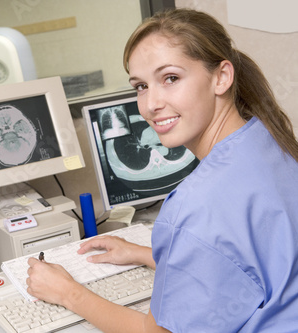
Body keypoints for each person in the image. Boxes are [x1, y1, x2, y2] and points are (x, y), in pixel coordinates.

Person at [26, 8, 298, 332]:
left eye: (170, 78)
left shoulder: (196, 208)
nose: (150, 104)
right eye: (140, 86)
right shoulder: (271, 142)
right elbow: (243, 262)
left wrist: (68, 293)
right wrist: (147, 254)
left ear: (222, 77)